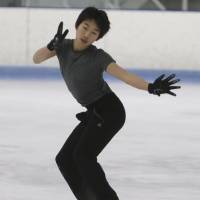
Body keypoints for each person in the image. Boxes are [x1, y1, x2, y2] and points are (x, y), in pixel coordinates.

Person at [33, 7, 180, 200]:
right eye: (85, 27)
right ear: (77, 25)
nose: (87, 34)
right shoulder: (63, 46)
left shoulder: (98, 57)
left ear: (98, 38)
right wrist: (51, 46)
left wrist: (150, 87)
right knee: (64, 159)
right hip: (93, 112)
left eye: (94, 32)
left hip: (109, 111)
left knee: (83, 156)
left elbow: (125, 76)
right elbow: (37, 58)